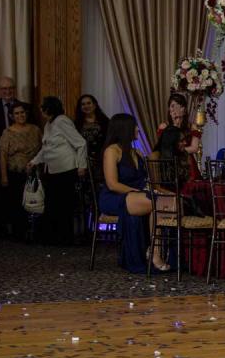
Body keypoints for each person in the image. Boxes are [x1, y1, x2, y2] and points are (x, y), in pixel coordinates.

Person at [98, 114, 170, 273]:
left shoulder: (137, 152)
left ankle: (155, 250)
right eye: (135, 126)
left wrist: (162, 192)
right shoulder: (112, 151)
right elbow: (112, 184)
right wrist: (139, 192)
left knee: (167, 202)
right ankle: (154, 253)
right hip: (115, 197)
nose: (138, 129)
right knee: (156, 202)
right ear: (125, 129)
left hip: (138, 196)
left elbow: (147, 181)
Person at [28, 96, 87, 245]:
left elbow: (81, 143)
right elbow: (46, 148)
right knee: (54, 204)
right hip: (54, 170)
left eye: (43, 106)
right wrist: (34, 161)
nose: (41, 109)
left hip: (66, 169)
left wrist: (82, 165)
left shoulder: (62, 121)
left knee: (64, 205)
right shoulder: (49, 124)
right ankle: (54, 237)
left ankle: (65, 238)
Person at [0, 104, 41, 239]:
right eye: (17, 113)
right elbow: (3, 156)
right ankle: (19, 234)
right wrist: (4, 176)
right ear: (11, 116)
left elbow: (43, 150)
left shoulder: (36, 130)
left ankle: (33, 233)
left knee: (33, 202)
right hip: (15, 172)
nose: (20, 115)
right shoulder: (8, 132)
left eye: (22, 112)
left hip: (33, 172)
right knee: (17, 203)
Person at [158, 94, 202, 182]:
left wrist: (177, 151)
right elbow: (165, 148)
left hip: (188, 162)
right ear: (169, 110)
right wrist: (175, 124)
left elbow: (194, 148)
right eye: (172, 106)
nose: (175, 109)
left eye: (179, 106)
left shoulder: (192, 127)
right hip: (171, 163)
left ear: (184, 109)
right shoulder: (164, 127)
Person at [74, 94, 110, 163]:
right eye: (83, 104)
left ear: (94, 105)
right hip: (83, 159)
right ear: (80, 107)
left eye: (89, 103)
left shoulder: (105, 121)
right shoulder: (76, 123)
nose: (86, 106)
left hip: (102, 158)